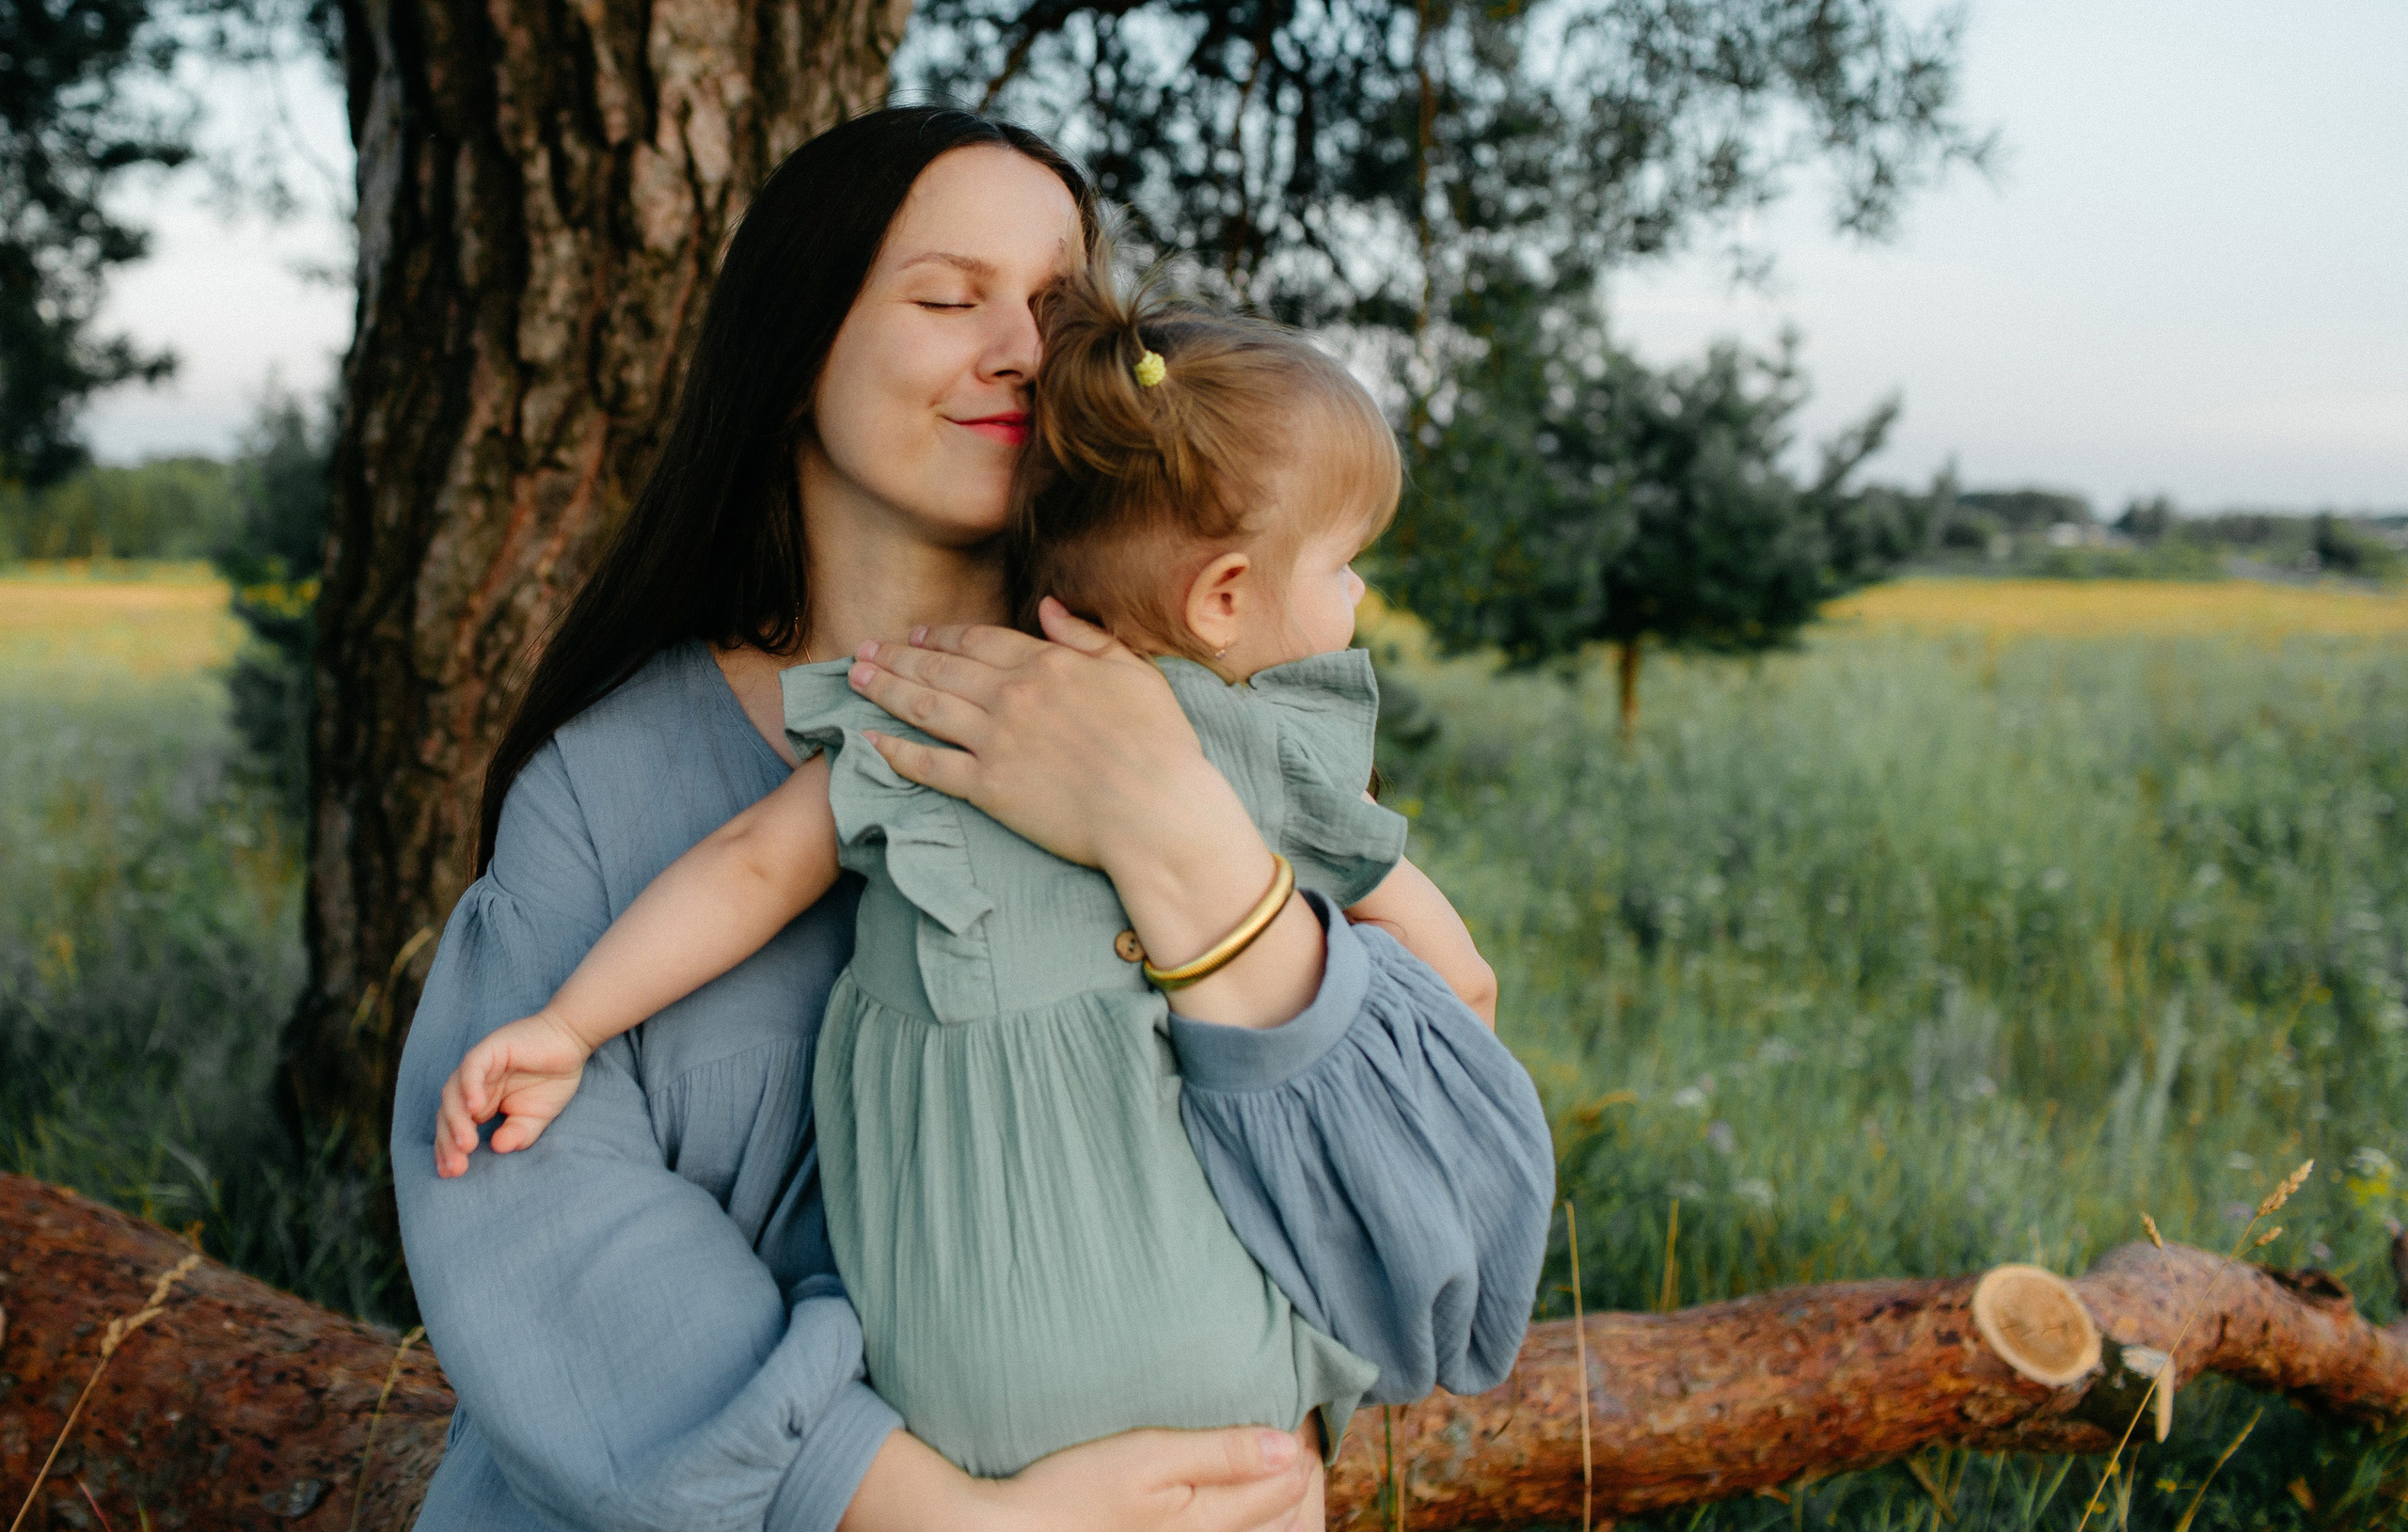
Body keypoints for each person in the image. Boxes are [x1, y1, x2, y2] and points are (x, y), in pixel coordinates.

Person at [392, 106, 1555, 1532]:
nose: (1019, 350)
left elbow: (1439, 1208)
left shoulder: (1211, 716)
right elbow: (545, 1234)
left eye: (1056, 308)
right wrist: (932, 1512)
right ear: (794, 350)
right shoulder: (609, 787)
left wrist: (1172, 828)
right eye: (949, 299)